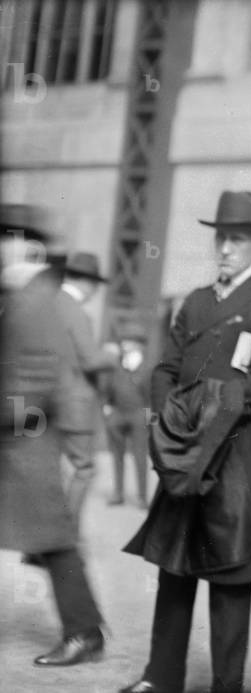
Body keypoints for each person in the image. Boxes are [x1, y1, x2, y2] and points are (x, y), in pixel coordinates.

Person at [121, 191, 251, 693]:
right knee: (174, 573)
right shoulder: (194, 301)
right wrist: (171, 424)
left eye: (236, 239)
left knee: (229, 581)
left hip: (235, 459)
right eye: (220, 237)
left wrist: (204, 416)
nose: (224, 248)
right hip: (184, 457)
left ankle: (226, 686)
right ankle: (161, 678)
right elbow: (164, 369)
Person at [0, 205, 107, 666]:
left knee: (56, 540)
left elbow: (36, 381)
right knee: (53, 539)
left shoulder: (35, 297)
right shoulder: (23, 293)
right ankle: (84, 630)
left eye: (7, 236)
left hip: (26, 443)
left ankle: (84, 631)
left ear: (29, 245)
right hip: (21, 441)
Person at [54, 251, 120, 532]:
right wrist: (112, 353)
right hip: (74, 404)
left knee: (52, 471)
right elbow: (90, 359)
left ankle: (41, 540)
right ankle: (62, 540)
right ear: (88, 282)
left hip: (48, 403)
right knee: (83, 469)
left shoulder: (53, 304)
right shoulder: (76, 311)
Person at [98, 318, 152, 508]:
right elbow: (105, 387)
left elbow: (152, 397)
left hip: (138, 415)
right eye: (124, 341)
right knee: (117, 455)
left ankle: (142, 497)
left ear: (139, 344)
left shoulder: (148, 367)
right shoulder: (115, 364)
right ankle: (118, 493)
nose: (125, 345)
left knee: (140, 457)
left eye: (130, 341)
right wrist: (107, 408)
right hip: (117, 414)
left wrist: (148, 419)